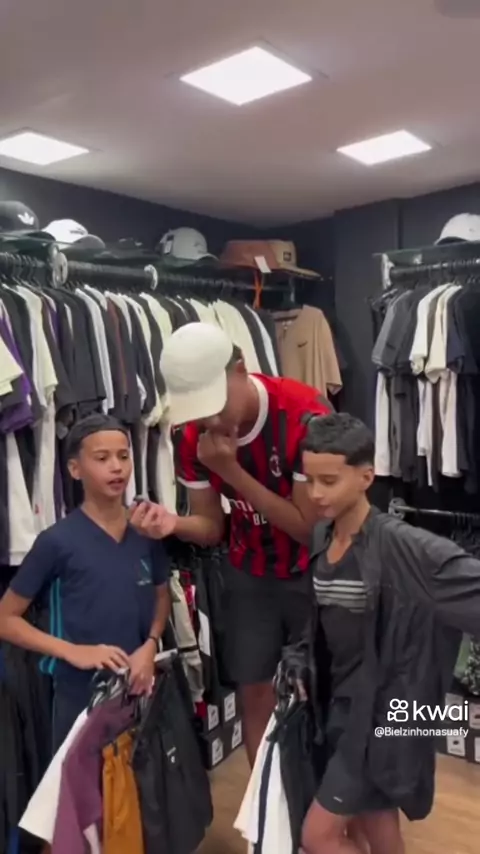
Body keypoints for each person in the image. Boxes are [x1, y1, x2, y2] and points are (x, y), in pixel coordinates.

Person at [130, 322, 331, 765]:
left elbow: (307, 529)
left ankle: (325, 797)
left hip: (315, 569)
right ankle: (262, 798)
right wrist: (172, 523)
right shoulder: (192, 437)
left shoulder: (303, 414)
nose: (212, 421)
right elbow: (212, 527)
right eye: (200, 411)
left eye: (216, 404)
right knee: (253, 689)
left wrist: (231, 472)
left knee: (322, 689)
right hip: (249, 573)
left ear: (240, 369)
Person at [297, 412, 480, 854]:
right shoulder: (323, 535)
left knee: (318, 836)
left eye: (329, 481)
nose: (316, 493)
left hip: (381, 719)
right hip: (339, 707)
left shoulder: (403, 546)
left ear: (366, 477)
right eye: (309, 480)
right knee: (376, 825)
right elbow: (323, 625)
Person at [0, 414, 171, 751]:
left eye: (123, 456)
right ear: (75, 469)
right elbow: (6, 618)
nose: (117, 467)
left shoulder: (146, 531)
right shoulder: (56, 542)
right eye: (102, 458)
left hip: (140, 687)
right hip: (80, 695)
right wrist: (73, 651)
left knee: (142, 779)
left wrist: (151, 643)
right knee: (83, 782)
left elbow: (162, 597)